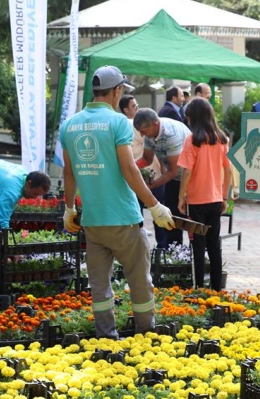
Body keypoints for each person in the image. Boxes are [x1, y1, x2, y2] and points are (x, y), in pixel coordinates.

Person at [59, 65, 175, 340]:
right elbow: (129, 168)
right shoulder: (119, 122)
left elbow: (68, 171)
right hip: (123, 218)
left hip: (93, 222)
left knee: (99, 287)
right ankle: (145, 335)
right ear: (117, 91)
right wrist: (155, 205)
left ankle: (106, 337)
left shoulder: (70, 124)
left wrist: (69, 209)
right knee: (139, 282)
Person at [177, 97, 232, 291]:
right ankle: (217, 288)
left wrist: (180, 196)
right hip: (215, 199)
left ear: (194, 117)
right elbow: (229, 170)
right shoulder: (222, 138)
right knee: (214, 245)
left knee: (198, 246)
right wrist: (225, 196)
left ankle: (199, 287)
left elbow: (187, 171)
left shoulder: (192, 140)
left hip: (196, 201)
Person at [133, 108, 189, 248]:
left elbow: (173, 171)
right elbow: (146, 159)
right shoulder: (149, 134)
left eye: (143, 131)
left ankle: (186, 255)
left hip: (189, 177)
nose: (141, 134)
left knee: (184, 218)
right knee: (171, 216)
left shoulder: (171, 134)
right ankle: (172, 252)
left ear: (155, 125)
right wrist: (129, 169)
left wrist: (146, 187)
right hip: (174, 176)